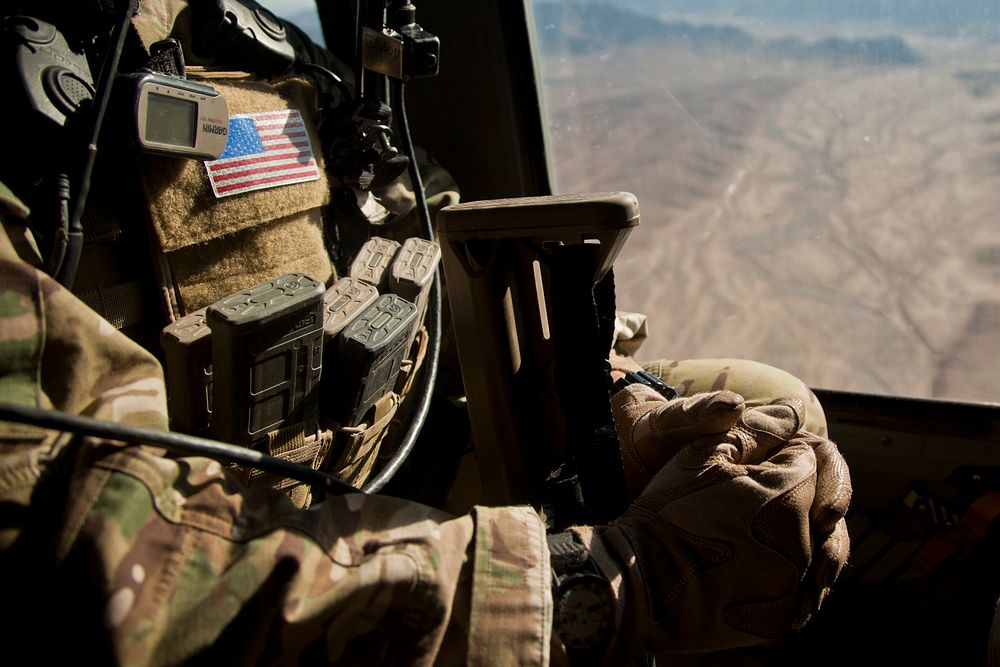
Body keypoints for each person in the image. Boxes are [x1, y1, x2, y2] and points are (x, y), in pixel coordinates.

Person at [0, 181, 850, 665]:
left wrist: (592, 399)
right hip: (229, 559)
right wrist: (613, 582)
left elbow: (418, 246)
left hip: (391, 454)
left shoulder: (237, 46)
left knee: (780, 427)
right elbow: (111, 588)